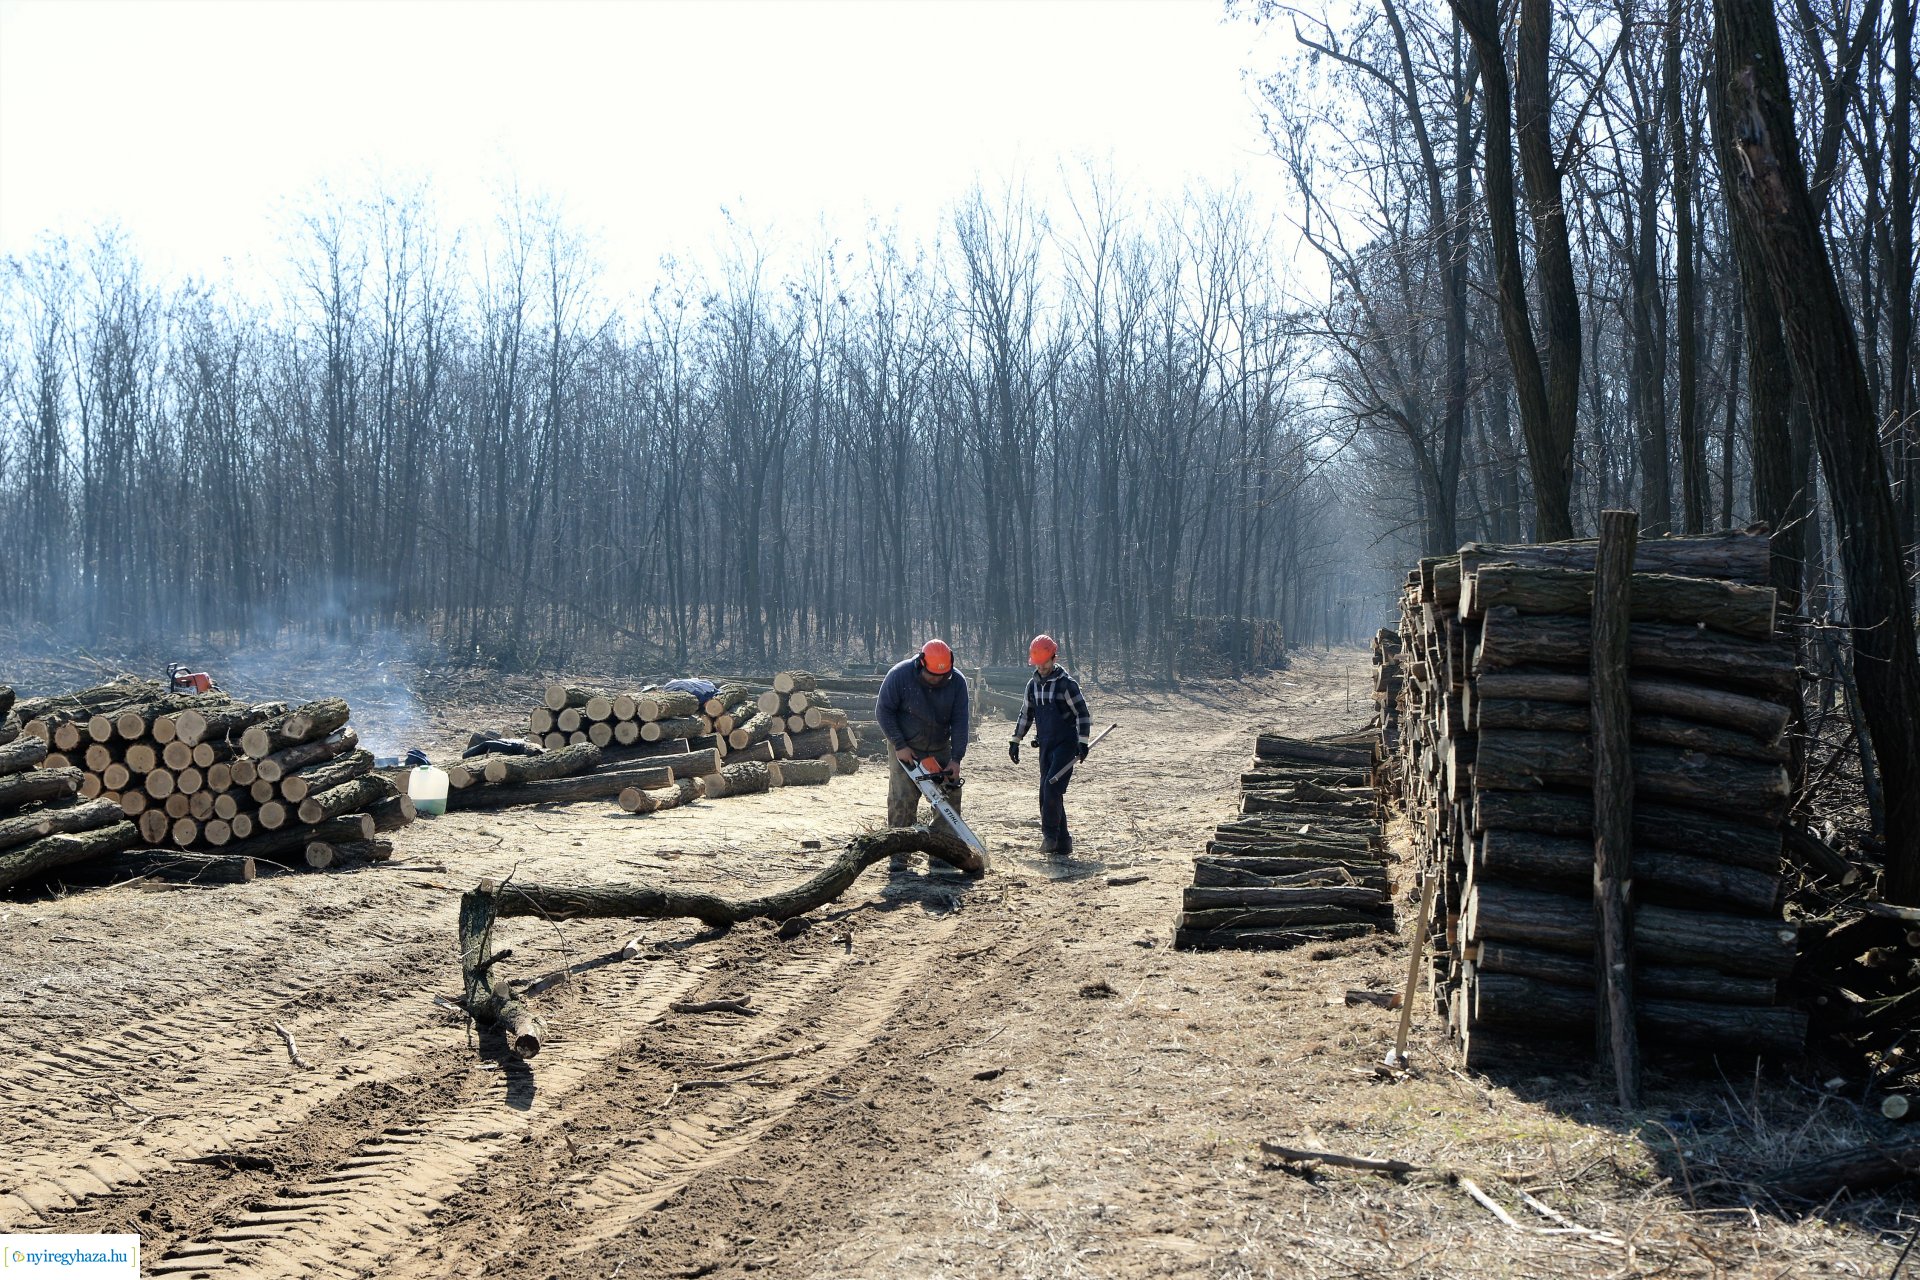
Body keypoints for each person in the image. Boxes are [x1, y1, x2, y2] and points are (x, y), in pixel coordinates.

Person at [875, 638, 970, 841]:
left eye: (942, 676)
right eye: (932, 675)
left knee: (949, 796)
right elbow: (884, 711)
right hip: (905, 746)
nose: (937, 680)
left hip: (939, 745)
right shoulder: (900, 675)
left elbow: (961, 722)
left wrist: (956, 759)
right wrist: (899, 744)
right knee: (902, 798)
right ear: (921, 663)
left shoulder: (957, 682)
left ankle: (943, 853)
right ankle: (900, 853)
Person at [1008, 634, 1090, 855]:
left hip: (1066, 744)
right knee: (1048, 791)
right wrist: (1016, 740)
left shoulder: (1066, 685)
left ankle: (1049, 837)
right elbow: (1026, 714)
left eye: (1045, 662)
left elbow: (1082, 714)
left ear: (1054, 658)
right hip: (1045, 745)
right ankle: (1063, 842)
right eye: (1037, 663)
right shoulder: (1032, 686)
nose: (1041, 667)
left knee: (1051, 787)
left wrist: (1083, 742)